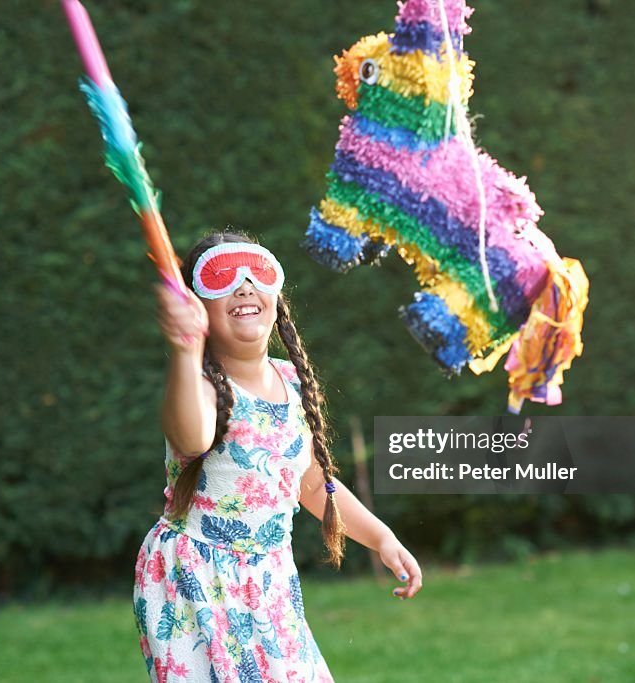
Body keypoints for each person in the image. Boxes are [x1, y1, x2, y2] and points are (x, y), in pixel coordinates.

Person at [133, 231, 422, 682]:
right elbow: (190, 438)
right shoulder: (202, 386)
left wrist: (381, 537)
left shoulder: (291, 381)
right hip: (198, 578)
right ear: (198, 307)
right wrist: (186, 351)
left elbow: (309, 482)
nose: (244, 285)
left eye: (257, 273)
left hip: (269, 579)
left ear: (275, 298)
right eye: (222, 278)